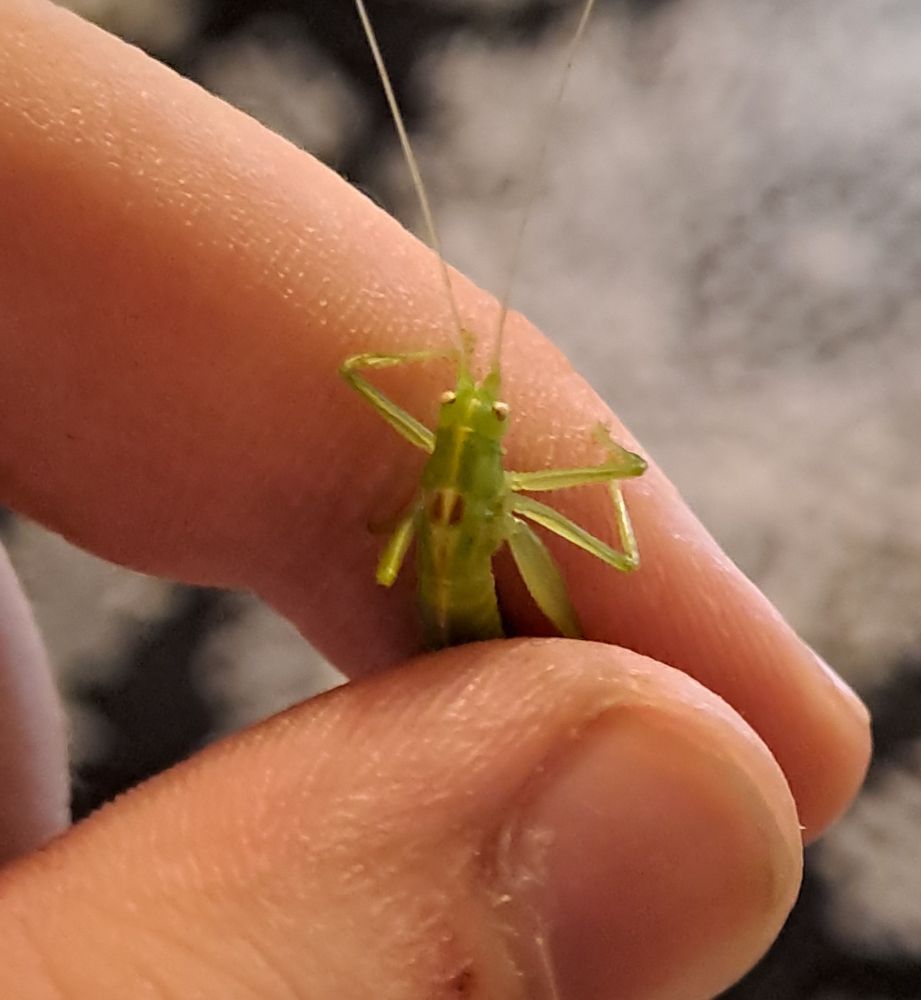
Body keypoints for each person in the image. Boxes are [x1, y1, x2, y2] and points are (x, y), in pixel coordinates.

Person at [0, 1, 871, 997]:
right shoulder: (460, 457)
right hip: (466, 596)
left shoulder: (434, 450)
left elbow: (378, 402)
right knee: (560, 562)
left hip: (477, 560)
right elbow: (603, 511)